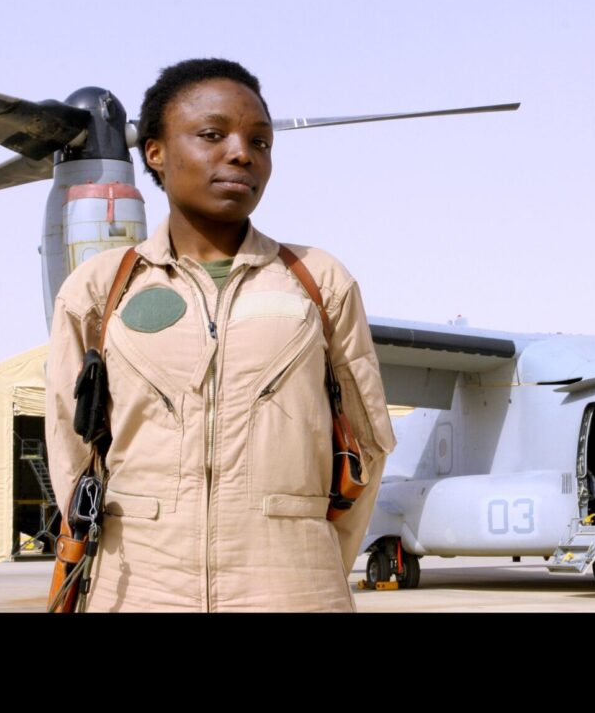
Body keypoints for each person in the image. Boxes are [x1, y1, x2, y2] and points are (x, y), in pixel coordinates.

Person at [45, 58, 396, 611]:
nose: (242, 153)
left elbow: (368, 443)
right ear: (155, 152)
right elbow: (71, 450)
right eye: (212, 135)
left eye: (260, 141)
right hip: (138, 591)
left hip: (292, 590)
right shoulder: (98, 289)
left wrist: (309, 555)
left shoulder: (319, 280)